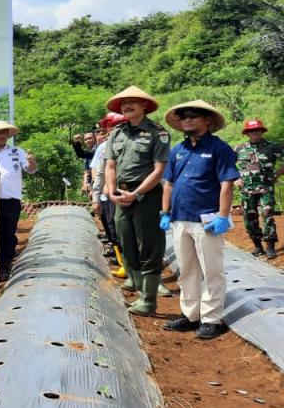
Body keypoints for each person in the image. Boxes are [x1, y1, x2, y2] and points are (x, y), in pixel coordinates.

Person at [160, 100, 238, 340]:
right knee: (187, 270)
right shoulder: (177, 150)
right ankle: (191, 314)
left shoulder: (219, 148)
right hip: (180, 218)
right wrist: (165, 212)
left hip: (208, 220)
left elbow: (227, 184)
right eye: (184, 116)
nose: (188, 119)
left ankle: (211, 319)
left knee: (211, 270)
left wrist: (224, 216)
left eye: (194, 115)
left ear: (208, 121)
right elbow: (169, 184)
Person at [104, 86, 170, 316]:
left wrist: (138, 193)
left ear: (145, 106)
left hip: (146, 196)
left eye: (133, 101)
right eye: (124, 102)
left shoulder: (157, 133)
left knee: (149, 246)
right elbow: (110, 165)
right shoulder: (117, 133)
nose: (127, 105)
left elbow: (159, 169)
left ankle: (149, 300)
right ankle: (140, 293)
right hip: (121, 196)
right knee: (128, 244)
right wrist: (112, 192)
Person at [0, 120, 37, 282]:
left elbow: (30, 169)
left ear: (8, 134)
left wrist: (32, 162)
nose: (0, 135)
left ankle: (5, 265)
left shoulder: (17, 151)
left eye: (3, 132)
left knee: (8, 233)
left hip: (11, 199)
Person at [234, 118, 284, 259]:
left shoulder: (272, 147)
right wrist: (235, 178)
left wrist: (277, 173)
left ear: (261, 131)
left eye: (257, 130)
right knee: (249, 218)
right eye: (251, 131)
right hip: (247, 189)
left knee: (267, 215)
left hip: (266, 188)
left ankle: (270, 246)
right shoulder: (239, 148)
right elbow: (226, 164)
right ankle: (257, 245)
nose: (254, 133)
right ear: (247, 133)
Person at [92, 112, 129, 276]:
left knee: (131, 232)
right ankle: (124, 265)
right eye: (112, 126)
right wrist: (96, 196)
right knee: (113, 230)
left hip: (131, 195)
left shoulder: (135, 143)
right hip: (109, 196)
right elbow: (99, 172)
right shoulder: (103, 147)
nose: (115, 128)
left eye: (119, 125)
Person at [72, 131, 97, 196]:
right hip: (92, 186)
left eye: (90, 138)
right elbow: (87, 171)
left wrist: (77, 143)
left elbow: (82, 154)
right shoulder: (89, 152)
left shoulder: (99, 149)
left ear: (95, 138)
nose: (87, 141)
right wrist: (85, 184)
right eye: (85, 139)